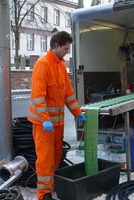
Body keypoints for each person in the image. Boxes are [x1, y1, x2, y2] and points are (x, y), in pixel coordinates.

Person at [27, 31, 86, 200]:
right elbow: (38, 97)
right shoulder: (42, 64)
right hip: (43, 124)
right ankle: (44, 194)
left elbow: (68, 94)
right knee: (45, 160)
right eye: (66, 48)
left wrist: (77, 113)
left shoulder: (60, 65)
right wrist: (45, 120)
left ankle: (52, 187)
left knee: (56, 157)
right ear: (56, 46)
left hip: (57, 124)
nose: (67, 51)